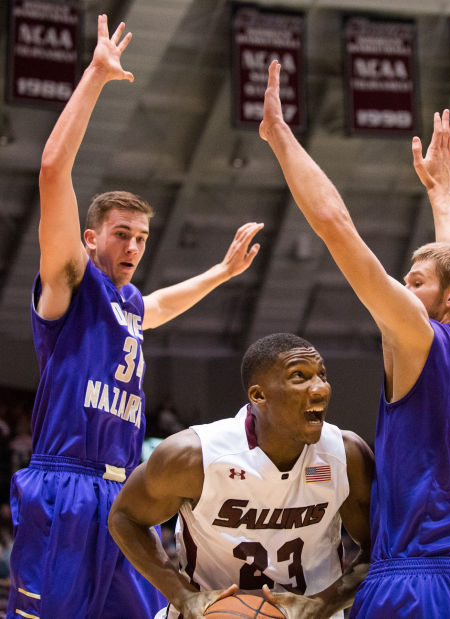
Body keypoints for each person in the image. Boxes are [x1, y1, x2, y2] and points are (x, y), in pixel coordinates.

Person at [7, 14, 263, 619]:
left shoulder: (127, 305)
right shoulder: (70, 284)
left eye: (142, 239)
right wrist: (94, 78)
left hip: (125, 495)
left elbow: (161, 305)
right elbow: (51, 172)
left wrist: (222, 274)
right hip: (66, 484)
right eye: (122, 235)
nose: (132, 247)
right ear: (90, 237)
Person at [260, 61, 450, 618]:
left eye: (416, 282)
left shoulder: (420, 340)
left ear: (449, 299)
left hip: (418, 582)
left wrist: (280, 138)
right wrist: (441, 195)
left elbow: (335, 224)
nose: (402, 288)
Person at [109, 332, 374, 619]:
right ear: (259, 395)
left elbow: (382, 550)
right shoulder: (194, 456)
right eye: (300, 376)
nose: (320, 388)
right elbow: (125, 518)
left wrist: (325, 602)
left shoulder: (345, 456)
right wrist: (182, 595)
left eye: (322, 375)